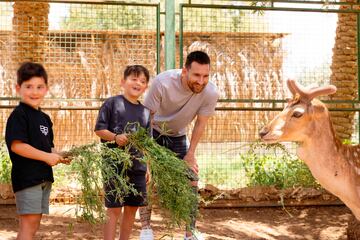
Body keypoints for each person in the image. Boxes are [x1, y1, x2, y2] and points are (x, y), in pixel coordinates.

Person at [139, 51, 219, 240]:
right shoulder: (162, 82)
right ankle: (146, 229)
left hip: (178, 136)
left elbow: (201, 124)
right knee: (146, 178)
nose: (201, 81)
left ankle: (190, 233)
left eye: (205, 76)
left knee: (192, 177)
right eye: (196, 75)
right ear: (185, 71)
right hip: (154, 132)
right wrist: (146, 154)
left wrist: (190, 154)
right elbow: (145, 119)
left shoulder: (210, 92)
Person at [5, 62, 69, 240]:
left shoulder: (45, 118)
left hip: (43, 177)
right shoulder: (19, 115)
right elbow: (17, 145)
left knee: (35, 222)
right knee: (28, 223)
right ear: (18, 88)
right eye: (29, 87)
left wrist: (59, 155)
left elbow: (47, 147)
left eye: (39, 87)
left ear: (46, 89)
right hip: (27, 178)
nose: (34, 92)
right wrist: (47, 157)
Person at [94, 65, 151, 240]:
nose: (138, 83)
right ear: (123, 82)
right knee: (114, 209)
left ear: (146, 87)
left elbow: (146, 144)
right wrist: (115, 137)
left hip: (137, 167)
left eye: (142, 81)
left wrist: (147, 167)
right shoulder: (112, 103)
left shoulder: (146, 112)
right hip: (114, 165)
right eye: (134, 79)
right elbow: (99, 130)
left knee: (132, 208)